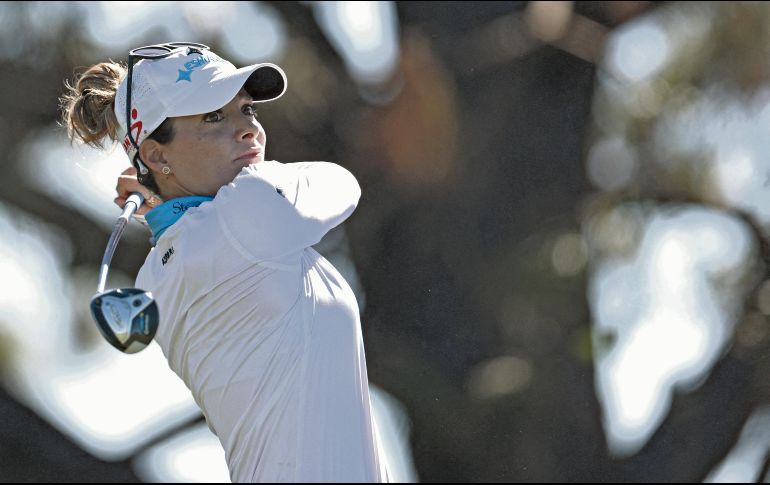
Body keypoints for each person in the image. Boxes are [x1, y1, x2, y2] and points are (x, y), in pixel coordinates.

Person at [60, 42, 390, 483]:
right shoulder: (248, 213)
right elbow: (343, 183)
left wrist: (161, 194)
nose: (248, 130)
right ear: (157, 155)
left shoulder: (159, 269)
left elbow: (192, 229)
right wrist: (166, 198)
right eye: (214, 117)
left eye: (247, 109)